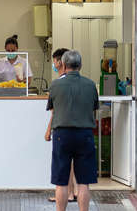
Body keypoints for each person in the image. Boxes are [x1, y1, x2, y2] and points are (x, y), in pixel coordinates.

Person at [46, 50, 99, 211]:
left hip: (62, 135)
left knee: (61, 181)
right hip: (85, 134)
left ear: (63, 64)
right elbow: (94, 109)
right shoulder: (90, 85)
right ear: (80, 65)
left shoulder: (55, 85)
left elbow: (52, 108)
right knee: (83, 182)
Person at [45, 48, 78, 203]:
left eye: (54, 61)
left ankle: (69, 193)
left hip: (63, 129)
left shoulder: (58, 84)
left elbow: (54, 111)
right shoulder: (79, 82)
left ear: (60, 62)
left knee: (64, 165)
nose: (53, 64)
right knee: (72, 163)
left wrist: (48, 130)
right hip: (78, 128)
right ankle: (74, 191)